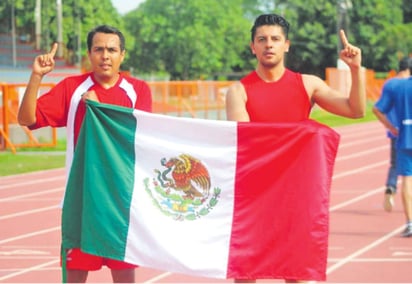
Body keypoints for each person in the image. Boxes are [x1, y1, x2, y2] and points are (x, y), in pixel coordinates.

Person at [225, 13, 366, 283]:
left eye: (275, 39)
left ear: (286, 45)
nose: (269, 45)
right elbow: (247, 143)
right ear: (252, 46)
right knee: (246, 273)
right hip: (255, 195)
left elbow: (355, 110)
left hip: (296, 195)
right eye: (262, 40)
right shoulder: (238, 92)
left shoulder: (308, 84)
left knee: (296, 273)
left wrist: (356, 70)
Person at [17, 25, 152, 283]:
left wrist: (102, 109)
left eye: (112, 50)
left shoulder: (138, 91)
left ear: (122, 55)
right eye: (98, 49)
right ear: (89, 54)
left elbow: (141, 139)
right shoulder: (72, 89)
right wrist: (36, 77)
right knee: (75, 277)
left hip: (120, 202)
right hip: (80, 201)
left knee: (124, 277)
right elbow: (26, 118)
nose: (105, 56)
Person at [372, 58, 412, 238]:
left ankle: (410, 223)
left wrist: (392, 128)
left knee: (407, 180)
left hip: (404, 137)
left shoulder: (395, 86)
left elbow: (377, 109)